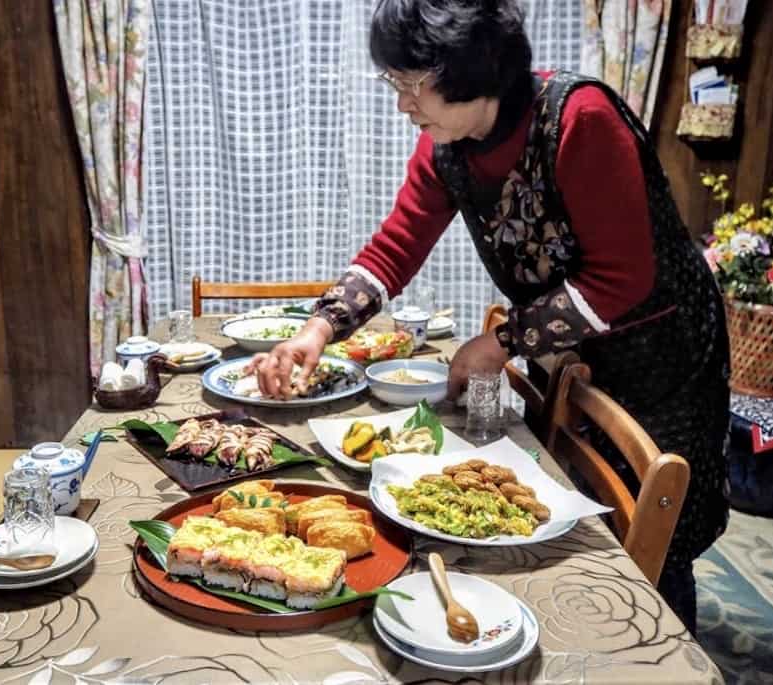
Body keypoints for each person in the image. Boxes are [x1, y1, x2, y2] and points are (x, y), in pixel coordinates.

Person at [249, 0, 729, 633]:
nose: (403, 105)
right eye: (394, 84)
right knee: (580, 512)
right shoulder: (447, 145)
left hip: (663, 351)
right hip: (576, 345)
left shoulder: (578, 119)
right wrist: (318, 330)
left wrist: (501, 342)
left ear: (473, 68)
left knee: (656, 537)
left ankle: (667, 654)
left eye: (411, 85)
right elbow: (397, 244)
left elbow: (623, 279)